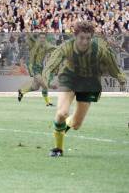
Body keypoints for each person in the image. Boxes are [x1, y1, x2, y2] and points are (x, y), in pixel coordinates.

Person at [43, 21, 126, 157]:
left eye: (88, 38)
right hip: (69, 78)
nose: (85, 41)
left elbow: (112, 65)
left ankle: (63, 128)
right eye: (81, 37)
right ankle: (58, 149)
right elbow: (52, 63)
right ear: (75, 36)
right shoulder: (66, 47)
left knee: (76, 124)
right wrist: (46, 78)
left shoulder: (100, 49)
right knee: (62, 113)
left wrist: (120, 77)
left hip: (89, 82)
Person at [17, 34, 56, 106]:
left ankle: (22, 92)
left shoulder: (46, 46)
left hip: (40, 67)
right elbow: (29, 35)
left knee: (35, 87)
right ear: (38, 38)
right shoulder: (33, 44)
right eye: (41, 38)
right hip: (33, 67)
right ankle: (47, 103)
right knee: (44, 85)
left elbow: (54, 48)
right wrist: (51, 86)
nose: (42, 39)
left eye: (44, 38)